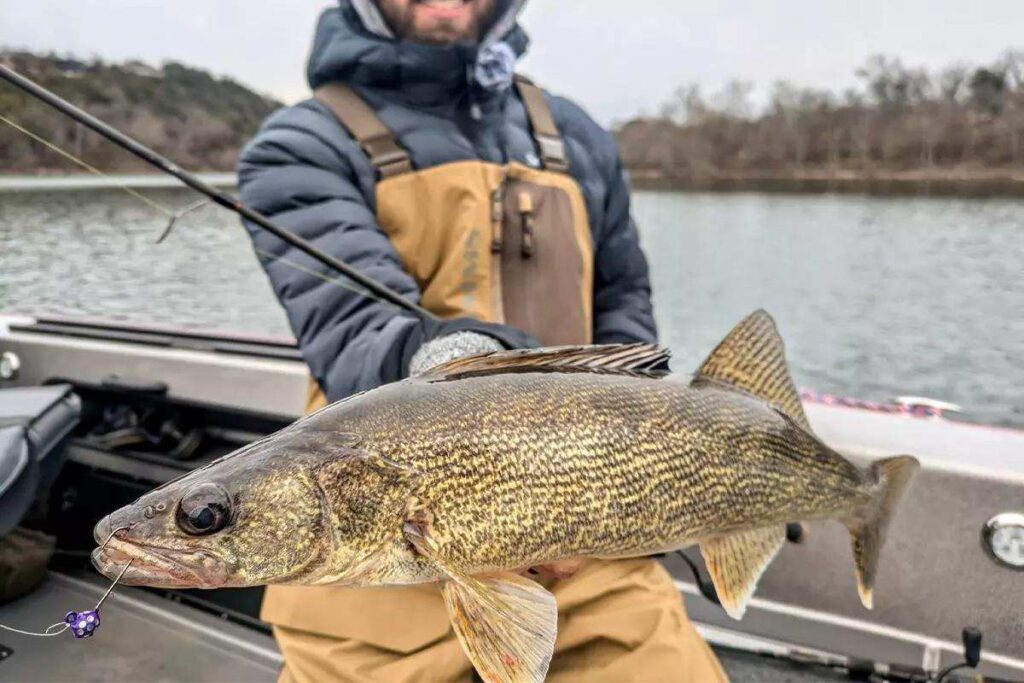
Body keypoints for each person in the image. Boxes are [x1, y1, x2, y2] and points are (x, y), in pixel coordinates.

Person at [237, 1, 728, 681]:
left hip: (587, 551)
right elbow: (353, 328)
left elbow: (624, 308)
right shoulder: (300, 144)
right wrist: (455, 364)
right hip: (368, 562)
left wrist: (637, 473)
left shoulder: (579, 135)